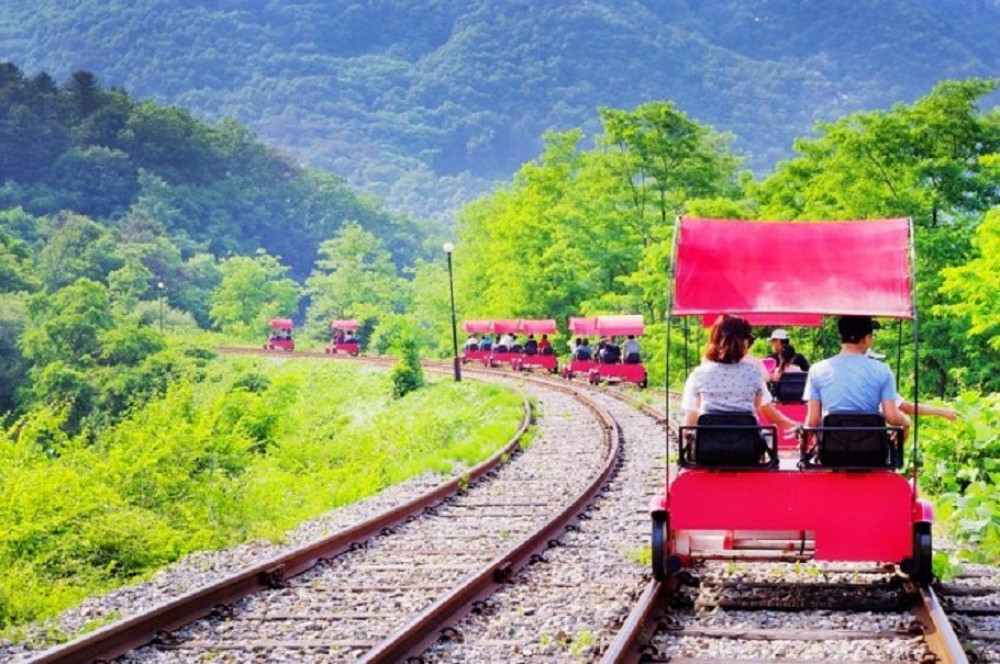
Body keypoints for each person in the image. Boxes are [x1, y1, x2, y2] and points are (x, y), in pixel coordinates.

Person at [682, 314, 799, 432]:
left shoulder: (699, 374)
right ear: (743, 342)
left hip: (708, 446)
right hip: (747, 446)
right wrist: (799, 425)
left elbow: (691, 420)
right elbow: (771, 416)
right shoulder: (753, 373)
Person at [803, 316, 910, 444]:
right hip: (872, 449)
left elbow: (812, 422)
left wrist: (804, 449)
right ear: (867, 339)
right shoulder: (883, 370)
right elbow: (892, 416)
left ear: (840, 336)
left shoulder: (817, 369)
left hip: (831, 451)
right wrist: (906, 421)